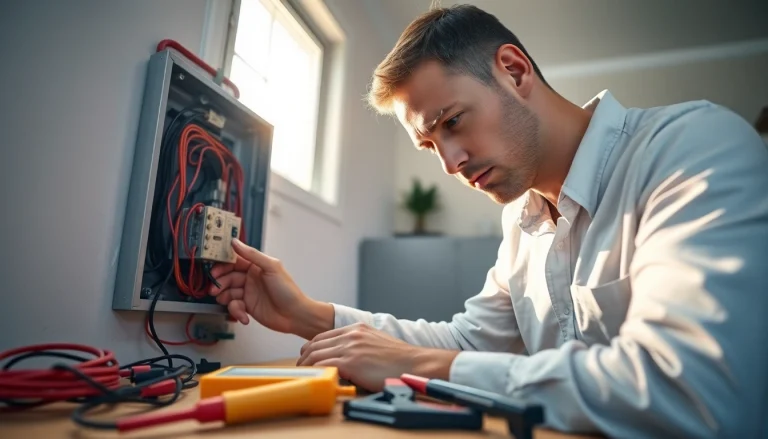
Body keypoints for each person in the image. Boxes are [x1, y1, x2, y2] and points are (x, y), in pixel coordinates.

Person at [209, 4, 768, 437]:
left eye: (452, 121)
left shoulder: (688, 148)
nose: (451, 163)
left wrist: (424, 364)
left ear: (513, 69)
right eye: (431, 146)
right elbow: (472, 342)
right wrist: (307, 314)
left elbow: (695, 391)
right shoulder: (522, 222)